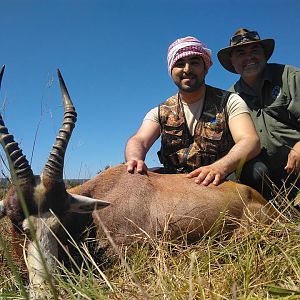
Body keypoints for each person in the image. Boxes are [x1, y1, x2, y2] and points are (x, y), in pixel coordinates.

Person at [125, 36, 260, 186]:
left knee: (257, 171)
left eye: (194, 63)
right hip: (176, 182)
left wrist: (220, 167)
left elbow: (249, 141)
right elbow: (139, 140)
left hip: (220, 181)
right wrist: (134, 158)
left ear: (205, 68)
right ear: (171, 70)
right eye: (180, 64)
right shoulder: (160, 112)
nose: (187, 69)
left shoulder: (230, 101)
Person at [217, 28, 300, 200]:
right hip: (263, 177)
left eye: (254, 50)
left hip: (297, 167)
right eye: (241, 53)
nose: (249, 58)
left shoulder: (290, 76)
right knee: (253, 171)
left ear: (264, 54)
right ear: (232, 61)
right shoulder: (230, 98)